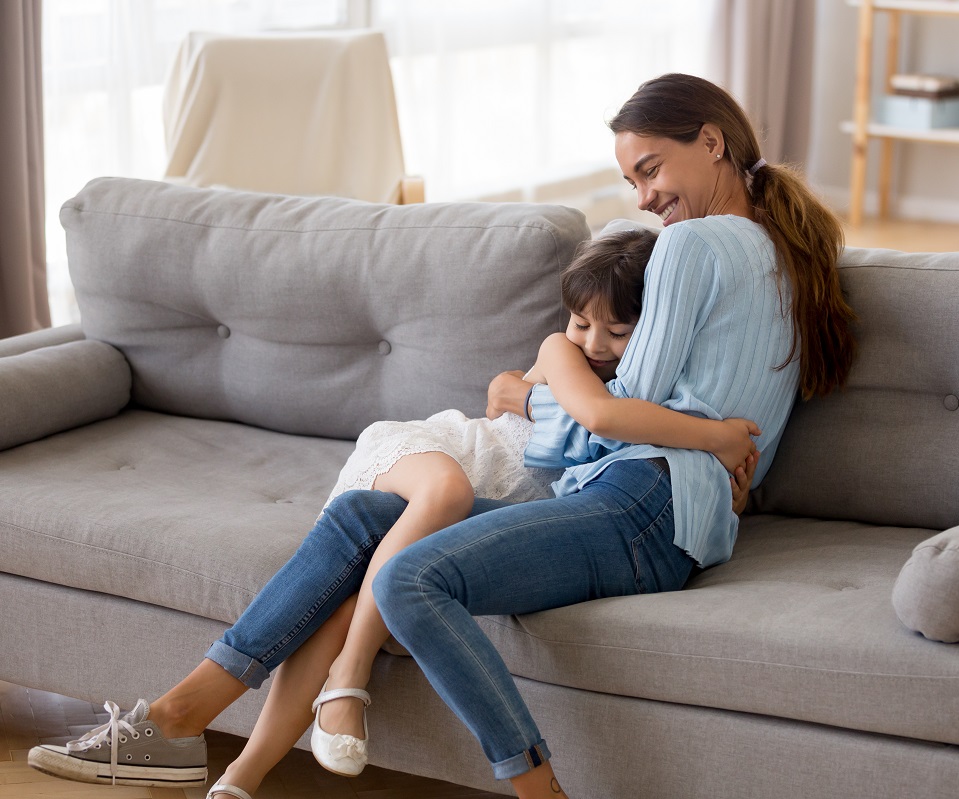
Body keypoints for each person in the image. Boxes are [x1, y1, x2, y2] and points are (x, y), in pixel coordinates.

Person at [30, 72, 856, 799]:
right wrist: (701, 434)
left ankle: (539, 789)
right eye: (632, 178)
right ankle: (178, 717)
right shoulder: (786, 251)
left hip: (644, 502)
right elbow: (661, 415)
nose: (642, 197)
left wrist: (544, 372)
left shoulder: (690, 245)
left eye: (650, 169)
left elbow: (606, 417)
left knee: (411, 579)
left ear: (710, 141)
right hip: (656, 504)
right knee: (362, 517)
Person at [27, 227, 759, 799]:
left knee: (353, 582)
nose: (594, 342)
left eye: (617, 332)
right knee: (430, 505)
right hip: (440, 455)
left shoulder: (654, 379)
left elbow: (596, 422)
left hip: (477, 503)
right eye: (581, 325)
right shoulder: (574, 362)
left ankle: (221, 760)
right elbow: (588, 412)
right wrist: (721, 437)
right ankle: (336, 688)